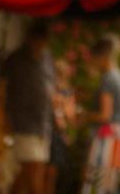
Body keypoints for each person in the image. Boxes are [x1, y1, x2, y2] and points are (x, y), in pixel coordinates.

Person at [82, 34, 120, 194]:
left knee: (100, 184)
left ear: (102, 56)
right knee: (113, 184)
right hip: (118, 135)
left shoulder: (107, 79)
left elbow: (105, 115)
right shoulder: (119, 76)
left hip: (106, 137)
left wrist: (84, 115)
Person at [4, 20, 55, 194]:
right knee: (32, 172)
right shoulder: (16, 60)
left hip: (43, 125)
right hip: (24, 124)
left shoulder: (47, 59)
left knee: (28, 174)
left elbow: (50, 86)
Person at [47, 59, 77, 194]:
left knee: (51, 174)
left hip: (57, 135)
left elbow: (70, 116)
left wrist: (62, 104)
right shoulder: (48, 88)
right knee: (41, 172)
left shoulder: (67, 93)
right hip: (47, 132)